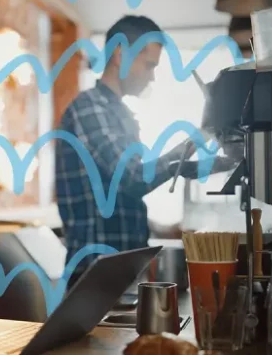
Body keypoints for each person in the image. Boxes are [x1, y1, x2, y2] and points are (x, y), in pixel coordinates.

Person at [55, 15, 199, 290]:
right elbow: (132, 177)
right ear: (120, 55)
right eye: (149, 65)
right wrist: (188, 147)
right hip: (94, 276)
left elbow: (118, 201)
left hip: (119, 271)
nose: (152, 76)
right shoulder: (89, 108)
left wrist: (159, 228)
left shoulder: (119, 114)